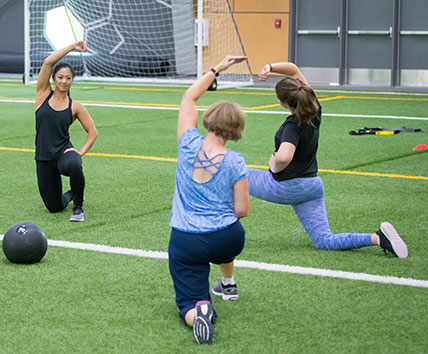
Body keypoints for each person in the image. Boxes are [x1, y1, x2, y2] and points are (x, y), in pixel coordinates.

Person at [253, 62, 407, 257]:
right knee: (325, 240)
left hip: (288, 187)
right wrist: (269, 66)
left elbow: (284, 156)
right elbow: (293, 69)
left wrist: (274, 166)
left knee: (236, 175)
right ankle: (378, 238)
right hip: (312, 186)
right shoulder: (314, 110)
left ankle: (217, 227)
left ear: (284, 103)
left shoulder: (293, 125)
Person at [168, 55, 249, 344]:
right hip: (227, 238)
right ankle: (228, 283)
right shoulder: (236, 161)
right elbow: (241, 210)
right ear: (236, 130)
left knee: (189, 301)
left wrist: (217, 69)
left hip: (187, 239)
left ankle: (199, 312)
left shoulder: (187, 142)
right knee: (225, 237)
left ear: (209, 120)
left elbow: (189, 97)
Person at [34, 41, 98, 222]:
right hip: (44, 157)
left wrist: (80, 151)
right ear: (54, 78)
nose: (64, 81)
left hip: (63, 154)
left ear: (72, 80)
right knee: (54, 207)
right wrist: (72, 47)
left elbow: (92, 131)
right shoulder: (42, 95)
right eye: (60, 77)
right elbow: (47, 62)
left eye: (68, 78)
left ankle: (78, 207)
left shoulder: (75, 106)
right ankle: (71, 193)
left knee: (74, 164)